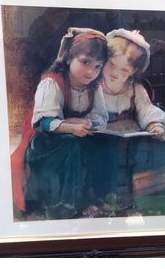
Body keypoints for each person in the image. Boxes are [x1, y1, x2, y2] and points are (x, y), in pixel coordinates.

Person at [10, 27, 109, 220]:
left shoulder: (95, 88)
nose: (91, 72)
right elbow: (43, 122)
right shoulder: (52, 82)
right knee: (72, 144)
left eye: (98, 66)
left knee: (102, 144)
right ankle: (63, 206)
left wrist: (84, 122)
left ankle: (100, 198)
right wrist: (69, 126)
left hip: (77, 135)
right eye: (86, 62)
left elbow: (101, 118)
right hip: (45, 142)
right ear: (70, 58)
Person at [88, 28, 165, 214]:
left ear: (133, 71)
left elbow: (146, 109)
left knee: (159, 146)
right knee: (107, 147)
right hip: (100, 139)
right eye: (112, 64)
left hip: (131, 139)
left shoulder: (135, 89)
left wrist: (154, 124)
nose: (116, 73)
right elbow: (87, 112)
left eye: (124, 69)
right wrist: (103, 126)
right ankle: (106, 200)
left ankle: (147, 201)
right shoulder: (93, 85)